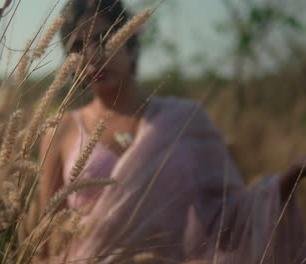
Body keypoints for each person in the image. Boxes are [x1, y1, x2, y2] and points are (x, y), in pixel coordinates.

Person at [39, 0, 306, 263]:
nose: (92, 54)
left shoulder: (185, 122)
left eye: (104, 38)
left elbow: (232, 218)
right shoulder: (61, 131)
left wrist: (288, 178)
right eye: (78, 47)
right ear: (69, 63)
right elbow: (47, 243)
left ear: (130, 44)